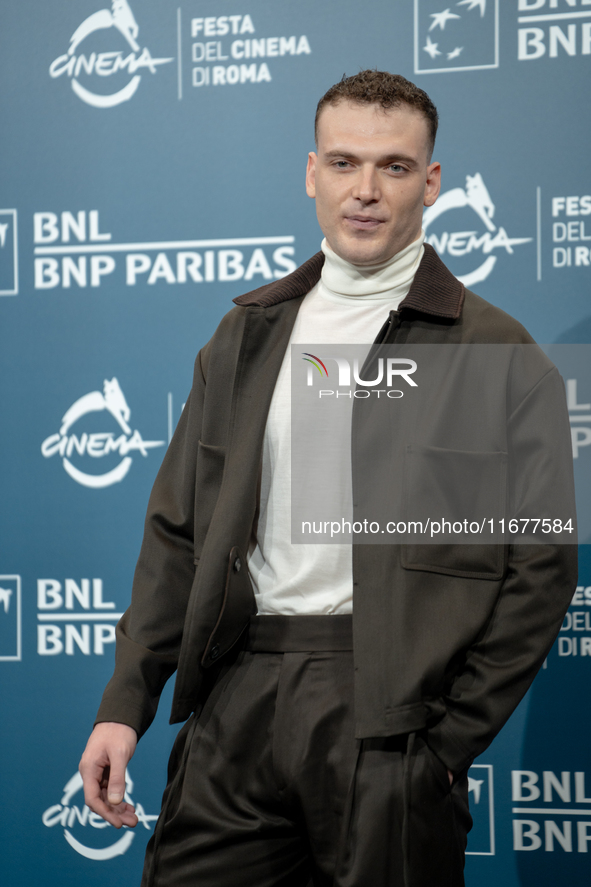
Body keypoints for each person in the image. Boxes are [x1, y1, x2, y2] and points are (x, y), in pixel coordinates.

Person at [79, 71, 577, 886]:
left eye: (393, 166)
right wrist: (124, 702)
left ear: (430, 181)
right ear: (311, 172)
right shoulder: (243, 335)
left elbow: (540, 572)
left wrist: (443, 744)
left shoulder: (499, 354)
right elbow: (178, 534)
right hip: (237, 699)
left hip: (390, 723)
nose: (366, 191)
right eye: (344, 163)